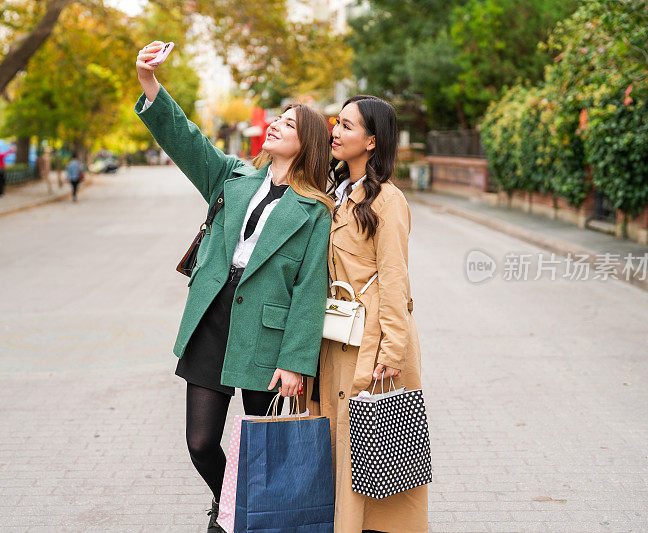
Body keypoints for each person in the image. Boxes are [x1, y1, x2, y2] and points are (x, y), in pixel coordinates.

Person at [135, 40, 333, 532]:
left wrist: (296, 361)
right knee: (200, 442)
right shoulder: (232, 177)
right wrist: (149, 82)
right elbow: (185, 139)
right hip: (212, 316)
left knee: (263, 447)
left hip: (267, 333)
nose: (275, 125)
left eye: (288, 124)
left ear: (307, 143)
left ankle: (237, 519)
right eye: (277, 119)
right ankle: (233, 508)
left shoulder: (315, 211)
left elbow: (309, 290)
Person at [305, 95, 428, 532]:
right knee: (346, 447)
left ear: (372, 141)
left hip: (374, 342)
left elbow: (395, 278)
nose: (335, 132)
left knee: (377, 450)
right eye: (336, 123)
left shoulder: (387, 201)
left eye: (348, 126)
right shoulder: (337, 193)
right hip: (339, 336)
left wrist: (392, 353)